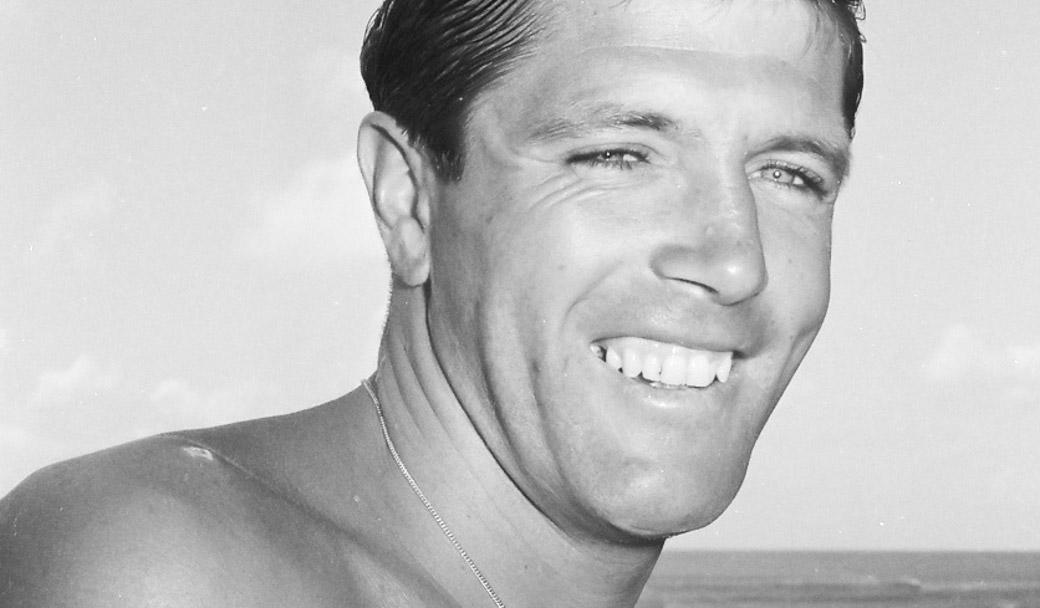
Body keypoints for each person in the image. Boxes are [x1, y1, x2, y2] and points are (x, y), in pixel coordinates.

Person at [0, 0, 864, 605]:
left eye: (791, 175)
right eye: (615, 155)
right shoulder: (169, 567)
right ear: (407, 199)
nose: (735, 261)